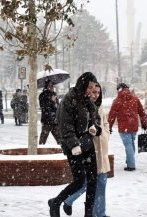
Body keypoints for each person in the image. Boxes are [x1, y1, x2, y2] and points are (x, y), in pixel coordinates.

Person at [49, 72, 99, 217]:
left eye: (93, 87)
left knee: (92, 181)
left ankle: (88, 214)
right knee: (79, 181)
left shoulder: (87, 101)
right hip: (74, 147)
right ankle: (56, 202)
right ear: (82, 84)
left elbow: (95, 119)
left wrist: (95, 127)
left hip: (87, 144)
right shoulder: (68, 100)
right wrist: (73, 144)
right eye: (89, 87)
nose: (91, 90)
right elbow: (65, 125)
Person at [63, 83, 111, 217]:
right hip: (89, 151)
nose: (95, 95)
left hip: (101, 149)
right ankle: (68, 200)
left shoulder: (99, 105)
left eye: (98, 92)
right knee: (85, 184)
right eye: (93, 92)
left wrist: (105, 135)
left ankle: (100, 213)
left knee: (101, 183)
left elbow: (105, 123)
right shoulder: (81, 106)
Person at [108, 83, 147, 171]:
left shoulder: (117, 101)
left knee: (128, 145)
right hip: (133, 126)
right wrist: (144, 123)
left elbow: (112, 116)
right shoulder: (135, 99)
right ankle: (130, 160)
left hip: (123, 127)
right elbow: (142, 112)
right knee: (131, 144)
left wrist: (109, 127)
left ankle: (131, 165)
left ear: (119, 90)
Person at [39, 80, 62, 145]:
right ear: (47, 86)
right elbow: (44, 107)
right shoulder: (43, 95)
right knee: (43, 139)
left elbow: (57, 106)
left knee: (60, 139)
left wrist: (55, 102)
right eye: (50, 86)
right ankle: (40, 150)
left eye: (52, 86)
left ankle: (62, 150)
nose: (52, 87)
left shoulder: (54, 94)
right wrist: (51, 101)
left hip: (55, 120)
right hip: (46, 120)